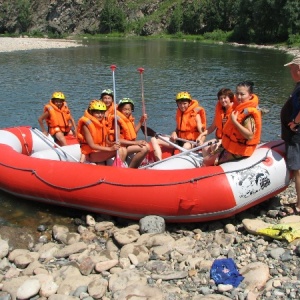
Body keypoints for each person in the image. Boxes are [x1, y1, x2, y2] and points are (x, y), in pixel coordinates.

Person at [203, 81, 261, 166]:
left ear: (250, 96)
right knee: (209, 153)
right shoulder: (239, 108)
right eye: (237, 94)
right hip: (231, 146)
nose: (238, 97)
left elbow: (250, 136)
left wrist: (234, 122)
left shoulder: (248, 115)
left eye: (242, 94)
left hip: (240, 150)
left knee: (206, 161)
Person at [151, 91, 206, 161]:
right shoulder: (179, 113)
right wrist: (174, 132)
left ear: (189, 103)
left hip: (191, 142)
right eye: (180, 103)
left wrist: (201, 140)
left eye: (184, 103)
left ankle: (180, 161)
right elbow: (179, 128)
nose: (182, 106)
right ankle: (159, 161)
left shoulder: (196, 115)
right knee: (154, 139)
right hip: (179, 140)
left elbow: (203, 133)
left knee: (185, 146)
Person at [77, 100, 127, 164]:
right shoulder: (86, 125)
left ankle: (118, 168)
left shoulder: (102, 123)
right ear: (91, 112)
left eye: (102, 112)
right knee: (119, 150)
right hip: (91, 153)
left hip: (101, 150)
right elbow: (92, 145)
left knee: (123, 149)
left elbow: (106, 141)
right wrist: (110, 149)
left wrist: (113, 143)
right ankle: (116, 170)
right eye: (97, 113)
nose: (100, 115)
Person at [280, 55, 300, 213]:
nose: (290, 71)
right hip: (292, 135)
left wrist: (295, 122)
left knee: (297, 169)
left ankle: (299, 204)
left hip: (295, 136)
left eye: (292, 68)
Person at [199, 88, 235, 157]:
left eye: (225, 98)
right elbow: (212, 127)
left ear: (230, 98)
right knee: (205, 147)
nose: (223, 100)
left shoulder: (235, 110)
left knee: (214, 146)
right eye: (221, 98)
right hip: (219, 138)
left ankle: (216, 163)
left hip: (229, 140)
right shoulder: (220, 111)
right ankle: (207, 164)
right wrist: (201, 135)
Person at [116, 97, 149, 168]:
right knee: (144, 148)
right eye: (125, 109)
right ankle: (131, 169)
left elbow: (133, 133)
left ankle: (134, 167)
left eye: (129, 109)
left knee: (146, 145)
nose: (127, 112)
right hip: (121, 148)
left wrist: (141, 121)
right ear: (120, 109)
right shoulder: (117, 121)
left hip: (128, 145)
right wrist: (136, 143)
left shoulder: (129, 119)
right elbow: (118, 140)